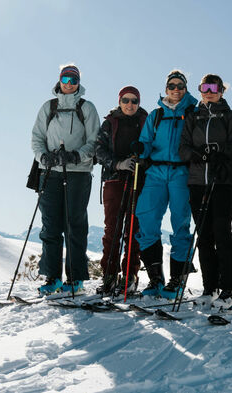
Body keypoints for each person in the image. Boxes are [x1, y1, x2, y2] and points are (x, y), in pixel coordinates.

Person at [30, 64, 100, 295]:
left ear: (79, 82)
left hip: (78, 173)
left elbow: (94, 141)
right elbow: (37, 138)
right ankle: (53, 278)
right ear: (59, 80)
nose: (69, 83)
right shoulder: (48, 107)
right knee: (50, 225)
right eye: (65, 78)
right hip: (49, 172)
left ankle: (76, 279)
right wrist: (44, 157)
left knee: (75, 225)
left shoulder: (86, 108)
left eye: (73, 79)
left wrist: (76, 155)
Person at [179, 74, 232, 308]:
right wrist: (197, 154)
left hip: (222, 181)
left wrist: (221, 156)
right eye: (204, 87)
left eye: (213, 87)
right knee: (204, 235)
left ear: (221, 91)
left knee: (222, 232)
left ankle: (229, 288)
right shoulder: (193, 116)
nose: (209, 91)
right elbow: (183, 148)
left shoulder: (230, 116)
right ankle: (209, 287)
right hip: (198, 181)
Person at [135, 70, 198, 299]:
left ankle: (176, 279)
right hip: (156, 171)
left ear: (185, 88)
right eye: (172, 85)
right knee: (147, 219)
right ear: (166, 87)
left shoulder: (193, 112)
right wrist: (140, 151)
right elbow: (145, 141)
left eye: (180, 85)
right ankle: (155, 279)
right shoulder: (157, 114)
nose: (175, 89)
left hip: (182, 171)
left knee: (180, 222)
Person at [94, 85, 148, 295]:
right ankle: (109, 274)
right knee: (112, 229)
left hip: (137, 180)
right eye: (125, 100)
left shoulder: (145, 122)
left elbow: (152, 147)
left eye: (134, 100)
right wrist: (118, 164)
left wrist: (141, 160)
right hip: (115, 180)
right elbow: (99, 150)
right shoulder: (110, 122)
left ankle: (130, 275)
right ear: (119, 101)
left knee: (133, 229)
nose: (130, 104)